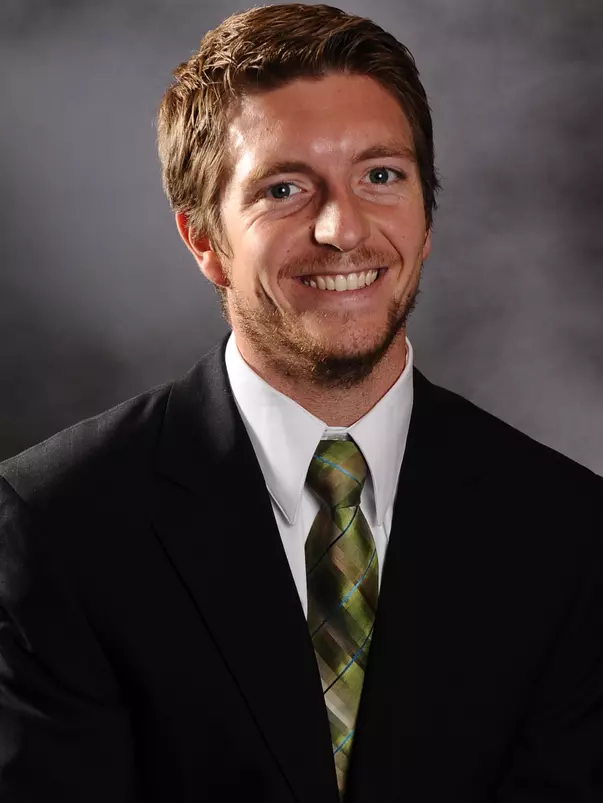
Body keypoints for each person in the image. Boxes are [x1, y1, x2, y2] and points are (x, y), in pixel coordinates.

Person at [0, 3, 602, 801]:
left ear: (426, 214)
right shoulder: (56, 521)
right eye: (283, 188)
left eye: (380, 176)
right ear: (204, 240)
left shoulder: (569, 530)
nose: (342, 228)